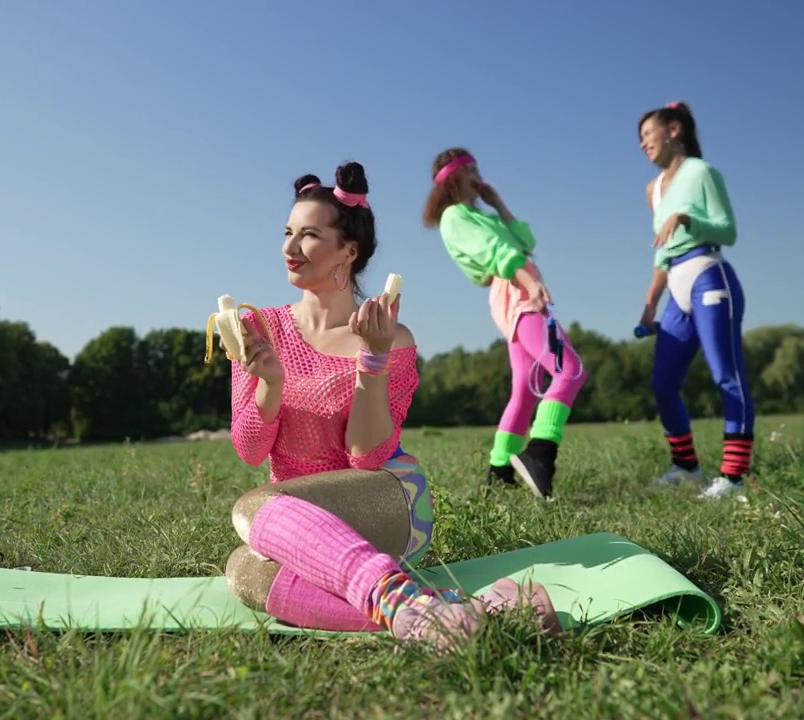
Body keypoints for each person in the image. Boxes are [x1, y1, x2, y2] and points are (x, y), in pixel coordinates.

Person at [218, 160, 561, 652]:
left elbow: (366, 456)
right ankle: (462, 613)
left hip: (386, 498)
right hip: (301, 520)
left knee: (254, 509)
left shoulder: (389, 337)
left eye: (309, 235)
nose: (290, 248)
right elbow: (251, 451)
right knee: (244, 569)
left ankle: (404, 605)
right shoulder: (258, 329)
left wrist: (373, 360)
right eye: (288, 233)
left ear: (348, 250)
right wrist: (269, 384)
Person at [422, 149, 587, 500]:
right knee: (569, 369)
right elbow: (498, 253)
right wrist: (529, 283)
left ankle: (499, 471)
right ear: (454, 177)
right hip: (516, 290)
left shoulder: (483, 215)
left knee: (526, 389)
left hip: (520, 286)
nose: (478, 176)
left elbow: (526, 242)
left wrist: (499, 205)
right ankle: (540, 452)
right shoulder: (455, 216)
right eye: (472, 170)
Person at [636, 101, 754, 502]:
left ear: (673, 130)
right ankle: (686, 467)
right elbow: (661, 251)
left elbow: (729, 230)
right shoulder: (653, 191)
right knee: (663, 383)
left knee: (727, 375)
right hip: (676, 288)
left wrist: (688, 218)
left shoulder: (702, 172)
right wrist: (651, 301)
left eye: (648, 135)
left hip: (709, 276)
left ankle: (734, 479)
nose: (642, 145)